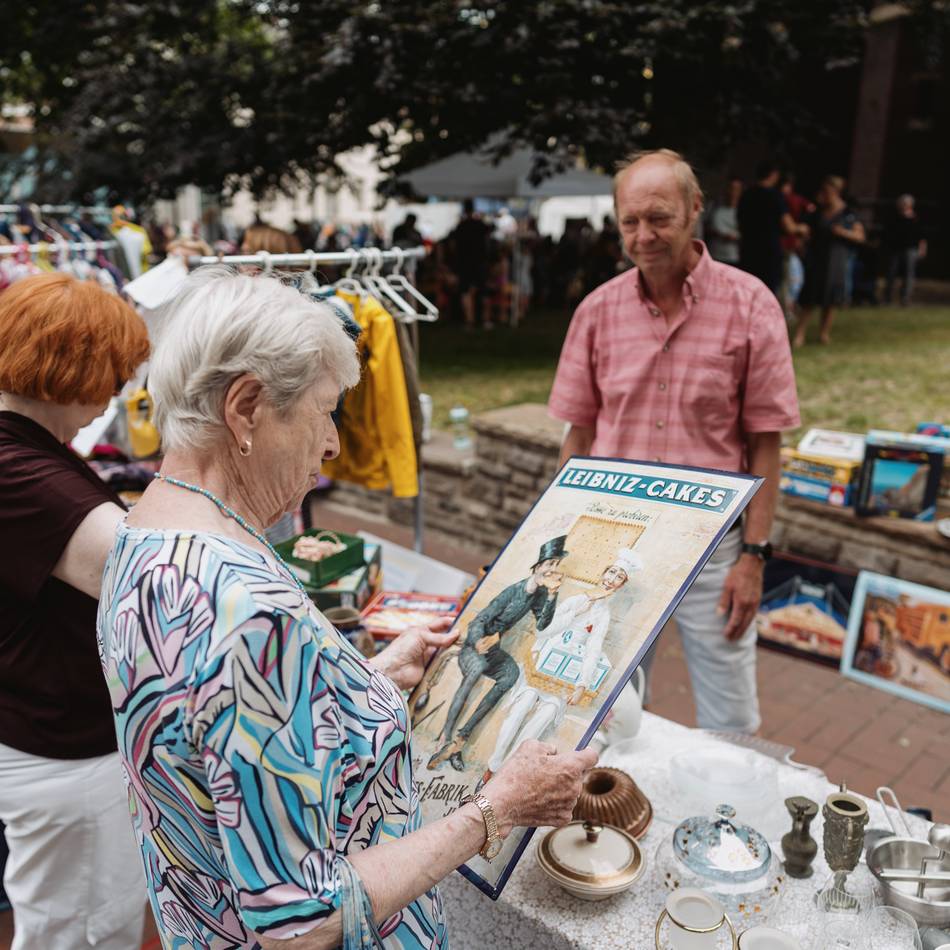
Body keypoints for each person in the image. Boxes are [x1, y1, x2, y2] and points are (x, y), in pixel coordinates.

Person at [97, 268, 595, 948]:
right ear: (245, 408)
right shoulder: (246, 611)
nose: (332, 442)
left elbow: (220, 742)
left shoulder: (146, 532)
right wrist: (495, 808)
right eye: (324, 410)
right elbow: (301, 924)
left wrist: (365, 679)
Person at [549, 149, 801, 734]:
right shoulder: (596, 312)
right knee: (602, 706)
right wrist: (564, 543)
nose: (644, 236)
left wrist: (754, 558)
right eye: (630, 221)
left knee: (731, 716)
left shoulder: (750, 305)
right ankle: (610, 817)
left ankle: (727, 819)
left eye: (659, 218)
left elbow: (766, 442)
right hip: (613, 538)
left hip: (711, 544)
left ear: (695, 210)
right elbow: (578, 434)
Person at [0, 273, 150, 949]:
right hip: (62, 751)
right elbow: (151, 579)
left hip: (46, 733)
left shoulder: (27, 454)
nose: (115, 392)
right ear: (79, 368)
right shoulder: (21, 470)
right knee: (85, 932)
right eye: (113, 373)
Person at [483, 548, 641, 784]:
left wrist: (582, 684)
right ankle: (493, 766)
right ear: (603, 573)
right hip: (541, 664)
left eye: (619, 577)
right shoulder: (577, 600)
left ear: (620, 585)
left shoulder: (603, 616)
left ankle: (508, 772)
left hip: (564, 677)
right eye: (611, 572)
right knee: (521, 707)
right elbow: (544, 630)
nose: (612, 579)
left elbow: (593, 650)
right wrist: (577, 611)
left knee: (543, 718)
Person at [428, 537, 568, 772]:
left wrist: (553, 596)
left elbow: (543, 625)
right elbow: (480, 619)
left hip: (493, 649)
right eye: (549, 564)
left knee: (510, 674)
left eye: (556, 565)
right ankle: (445, 738)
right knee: (476, 671)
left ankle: (460, 740)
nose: (552, 570)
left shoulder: (540, 595)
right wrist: (478, 641)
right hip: (474, 647)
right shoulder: (513, 591)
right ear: (537, 566)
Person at [792, 176, 865, 347]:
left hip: (837, 259)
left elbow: (860, 236)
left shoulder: (848, 213)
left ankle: (824, 333)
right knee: (810, 296)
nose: (824, 194)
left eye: (827, 191)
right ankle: (800, 334)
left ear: (836, 191)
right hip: (817, 256)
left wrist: (842, 233)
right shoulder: (817, 211)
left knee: (830, 298)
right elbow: (806, 229)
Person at [737, 160, 809, 296]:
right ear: (773, 175)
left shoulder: (746, 195)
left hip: (748, 248)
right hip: (769, 251)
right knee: (766, 291)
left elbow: (739, 222)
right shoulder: (775, 196)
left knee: (746, 288)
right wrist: (802, 228)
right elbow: (788, 227)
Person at [451, 199, 492, 330]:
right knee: (483, 291)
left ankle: (470, 320)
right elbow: (488, 238)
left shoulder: (461, 226)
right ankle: (485, 320)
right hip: (479, 262)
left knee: (466, 292)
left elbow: (453, 245)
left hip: (465, 263)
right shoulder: (479, 224)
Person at [884, 194, 927, 306]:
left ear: (910, 205)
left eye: (906, 204)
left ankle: (905, 298)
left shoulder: (916, 219)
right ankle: (887, 298)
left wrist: (922, 249)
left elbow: (922, 236)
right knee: (891, 273)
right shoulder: (894, 218)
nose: (903, 206)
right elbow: (887, 234)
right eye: (902, 204)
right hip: (895, 249)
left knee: (909, 274)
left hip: (911, 249)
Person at [705, 177, 743, 264]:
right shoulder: (714, 207)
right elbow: (703, 228)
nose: (733, 192)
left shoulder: (744, 212)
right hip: (714, 254)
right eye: (731, 188)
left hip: (733, 257)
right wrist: (715, 233)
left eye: (736, 189)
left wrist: (735, 237)